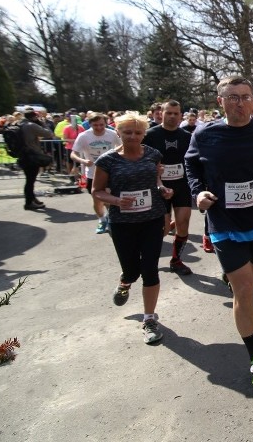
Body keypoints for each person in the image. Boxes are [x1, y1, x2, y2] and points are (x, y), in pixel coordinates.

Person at [185, 76, 253, 388]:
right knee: (244, 289)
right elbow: (191, 165)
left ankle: (232, 277)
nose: (240, 103)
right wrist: (197, 192)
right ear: (219, 101)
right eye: (232, 97)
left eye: (246, 96)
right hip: (223, 221)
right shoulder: (205, 134)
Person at [92, 112, 173, 344]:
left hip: (152, 219)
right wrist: (116, 200)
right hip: (122, 223)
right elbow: (96, 191)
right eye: (127, 132)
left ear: (144, 133)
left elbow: (156, 181)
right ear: (118, 132)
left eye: (138, 132)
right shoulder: (107, 160)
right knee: (132, 270)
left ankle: (149, 319)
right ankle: (125, 282)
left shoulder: (153, 154)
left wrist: (163, 190)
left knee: (150, 269)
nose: (133, 136)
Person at [143, 100, 195, 276]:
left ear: (181, 115)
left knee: (183, 223)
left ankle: (176, 260)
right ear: (161, 113)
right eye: (168, 113)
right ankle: (146, 258)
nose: (172, 116)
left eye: (176, 113)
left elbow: (194, 161)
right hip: (158, 186)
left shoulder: (187, 136)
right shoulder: (150, 135)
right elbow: (140, 160)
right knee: (163, 229)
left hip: (182, 185)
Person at [70, 112, 121, 234]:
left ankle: (110, 219)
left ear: (106, 123)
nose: (98, 127)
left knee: (110, 199)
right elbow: (73, 153)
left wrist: (114, 154)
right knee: (97, 200)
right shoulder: (84, 136)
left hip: (110, 173)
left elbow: (122, 147)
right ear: (90, 124)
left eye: (101, 125)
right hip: (93, 174)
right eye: (95, 125)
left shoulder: (112, 134)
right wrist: (83, 161)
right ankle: (102, 220)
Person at [17, 108, 56, 210]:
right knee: (30, 180)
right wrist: (42, 123)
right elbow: (48, 133)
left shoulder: (19, 124)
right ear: (34, 116)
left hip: (22, 154)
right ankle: (29, 202)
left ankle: (32, 198)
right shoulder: (31, 125)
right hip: (31, 155)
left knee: (30, 179)